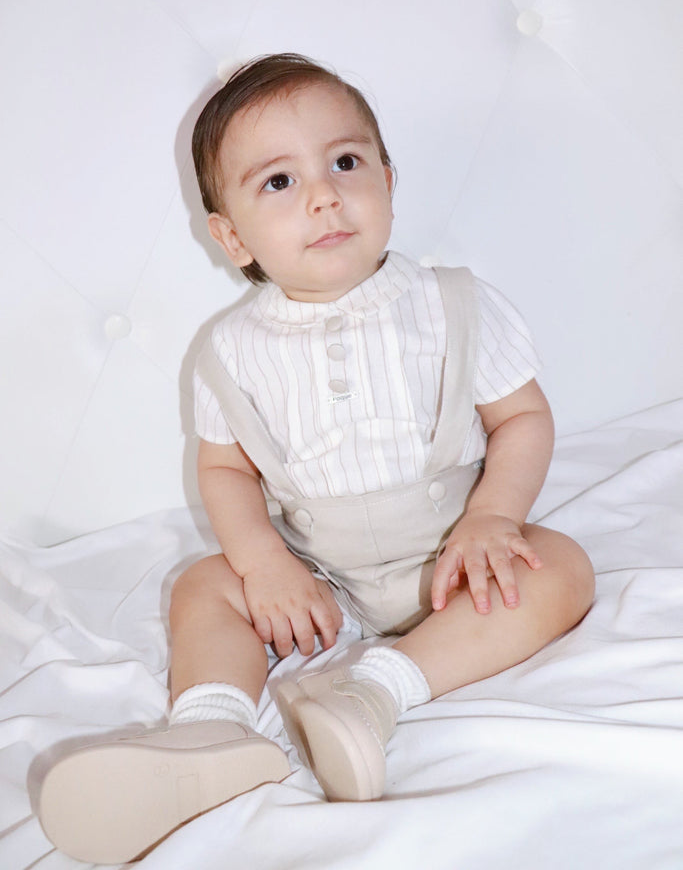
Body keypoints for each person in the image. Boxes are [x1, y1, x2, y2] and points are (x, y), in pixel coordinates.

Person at [37, 53, 595, 863]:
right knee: (205, 583)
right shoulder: (229, 351)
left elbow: (524, 419)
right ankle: (210, 732)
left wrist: (494, 517)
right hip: (318, 575)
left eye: (344, 162)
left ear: (388, 181)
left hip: (459, 553)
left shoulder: (453, 303)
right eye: (278, 182)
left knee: (562, 569)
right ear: (231, 238)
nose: (324, 194)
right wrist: (263, 563)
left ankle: (375, 693)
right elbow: (226, 470)